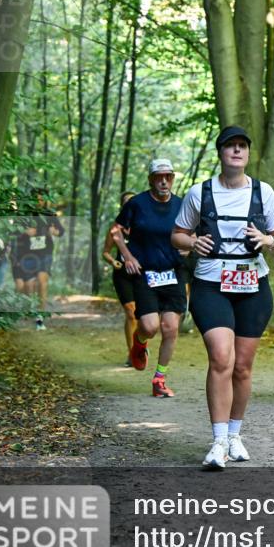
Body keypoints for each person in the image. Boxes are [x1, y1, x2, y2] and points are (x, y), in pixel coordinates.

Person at [171, 126, 274, 469]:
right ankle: (218, 441)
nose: (236, 151)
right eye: (230, 146)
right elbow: (177, 235)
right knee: (221, 357)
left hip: (253, 285)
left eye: (242, 147)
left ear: (248, 154)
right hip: (211, 283)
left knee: (242, 366)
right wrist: (193, 243)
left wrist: (266, 240)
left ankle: (235, 435)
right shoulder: (200, 193)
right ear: (220, 153)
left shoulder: (263, 192)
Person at [112, 160, 186, 398]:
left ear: (173, 178)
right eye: (158, 177)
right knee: (150, 326)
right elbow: (115, 231)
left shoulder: (182, 204)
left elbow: (192, 231)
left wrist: (189, 246)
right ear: (151, 180)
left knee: (171, 328)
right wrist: (128, 256)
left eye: (168, 176)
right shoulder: (137, 204)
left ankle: (159, 380)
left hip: (173, 272)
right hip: (146, 273)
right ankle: (139, 340)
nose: (164, 181)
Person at [11, 192, 64, 330]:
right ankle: (30, 309)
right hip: (27, 255)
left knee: (42, 282)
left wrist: (55, 231)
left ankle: (40, 317)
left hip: (45, 254)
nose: (39, 202)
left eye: (42, 199)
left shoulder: (49, 214)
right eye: (36, 199)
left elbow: (61, 231)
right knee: (28, 286)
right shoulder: (24, 214)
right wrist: (24, 231)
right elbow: (13, 232)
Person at [103, 191, 137, 366]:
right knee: (131, 313)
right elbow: (106, 252)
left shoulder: (144, 224)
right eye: (126, 202)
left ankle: (140, 346)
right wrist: (114, 262)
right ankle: (132, 354)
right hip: (122, 273)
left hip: (142, 274)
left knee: (144, 317)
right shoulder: (116, 228)